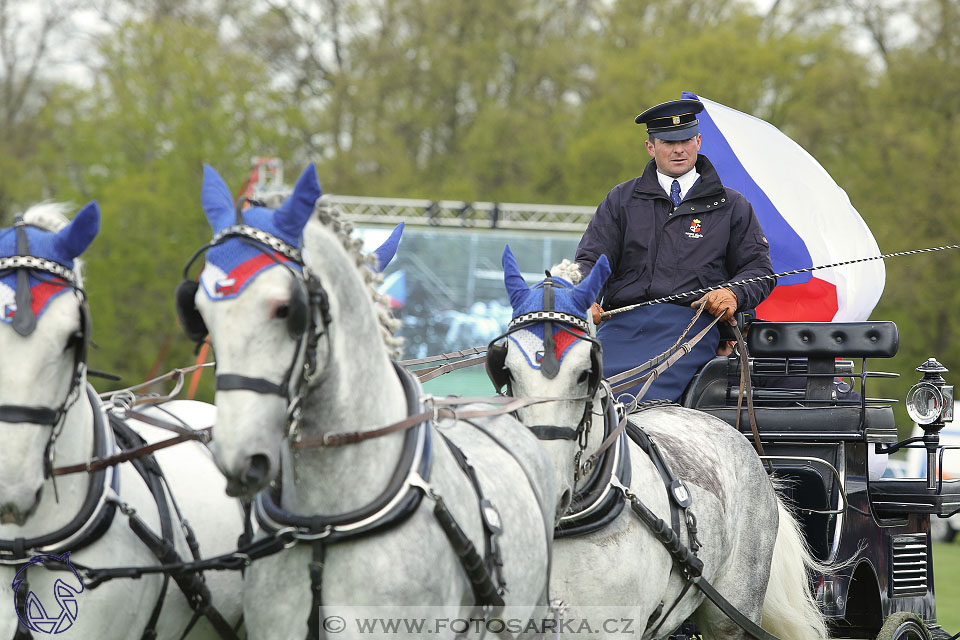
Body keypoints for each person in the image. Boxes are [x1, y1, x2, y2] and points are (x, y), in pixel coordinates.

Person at [575, 97, 775, 402]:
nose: (678, 149)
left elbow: (759, 271)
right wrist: (585, 295)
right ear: (651, 147)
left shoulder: (732, 206)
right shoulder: (620, 200)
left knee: (634, 402)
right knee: (581, 397)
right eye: (668, 142)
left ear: (698, 141)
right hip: (620, 328)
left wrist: (733, 294)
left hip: (691, 329)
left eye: (684, 140)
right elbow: (590, 259)